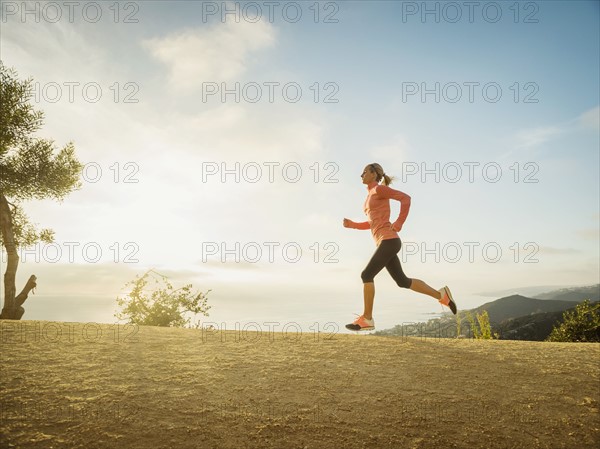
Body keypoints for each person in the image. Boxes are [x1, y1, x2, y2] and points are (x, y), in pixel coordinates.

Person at [343, 163, 457, 331]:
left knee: (366, 274)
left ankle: (367, 318)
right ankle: (441, 295)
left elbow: (406, 198)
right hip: (384, 242)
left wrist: (399, 222)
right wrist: (353, 225)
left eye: (365, 172)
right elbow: (372, 223)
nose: (361, 175)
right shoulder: (368, 197)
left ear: (374, 174)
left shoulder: (379, 190)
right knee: (402, 281)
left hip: (389, 240)